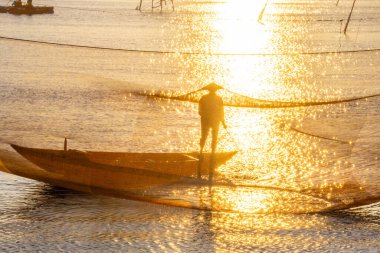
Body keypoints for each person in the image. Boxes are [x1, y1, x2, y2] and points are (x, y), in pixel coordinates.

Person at [197, 82, 226, 182]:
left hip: (207, 120)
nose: (213, 91)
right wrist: (223, 122)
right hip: (213, 120)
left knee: (204, 136)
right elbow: (221, 112)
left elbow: (200, 111)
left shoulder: (204, 98)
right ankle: (211, 154)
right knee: (213, 137)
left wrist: (205, 116)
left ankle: (202, 152)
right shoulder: (218, 98)